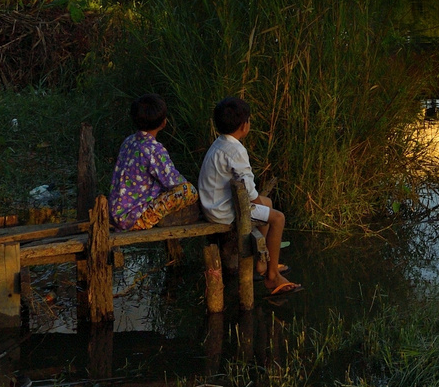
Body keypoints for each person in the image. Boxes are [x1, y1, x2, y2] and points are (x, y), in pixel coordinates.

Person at [198, 96, 298, 294]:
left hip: (212, 205)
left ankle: (263, 264)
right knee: (278, 218)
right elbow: (249, 190)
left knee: (267, 204)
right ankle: (272, 277)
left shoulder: (219, 144)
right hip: (223, 212)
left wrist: (262, 205)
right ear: (244, 125)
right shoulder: (236, 150)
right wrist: (259, 205)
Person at [109, 94, 199, 231]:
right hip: (134, 219)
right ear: (163, 123)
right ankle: (149, 218)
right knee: (188, 190)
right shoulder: (154, 149)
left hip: (116, 215)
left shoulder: (128, 141)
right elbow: (174, 181)